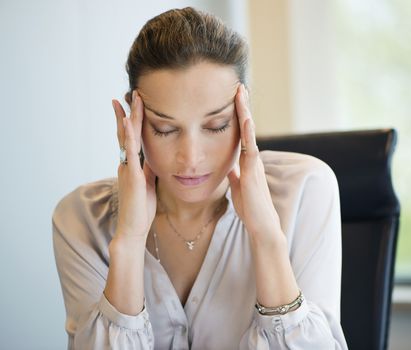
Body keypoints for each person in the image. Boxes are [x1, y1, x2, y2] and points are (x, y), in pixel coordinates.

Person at [52, 6, 348, 350]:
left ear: (243, 111)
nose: (191, 158)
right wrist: (130, 242)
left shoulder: (305, 190)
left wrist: (267, 237)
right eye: (164, 129)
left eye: (215, 126)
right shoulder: (82, 219)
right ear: (131, 121)